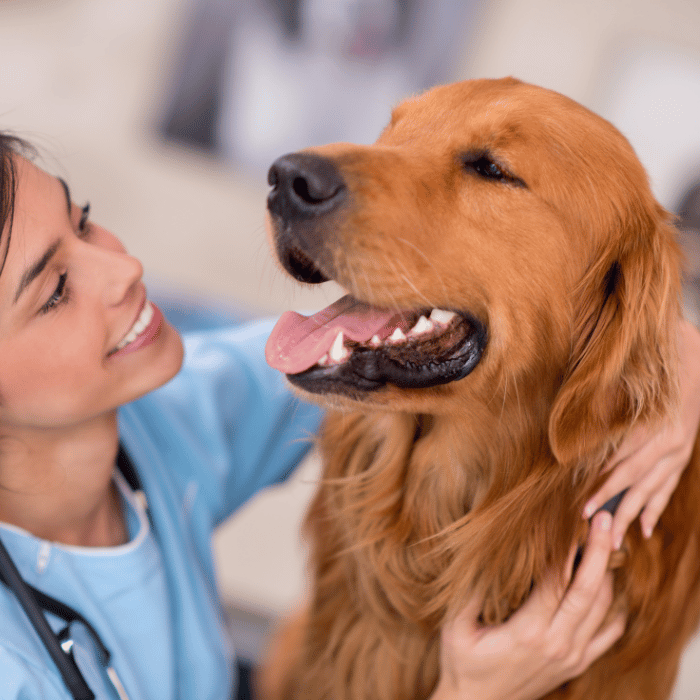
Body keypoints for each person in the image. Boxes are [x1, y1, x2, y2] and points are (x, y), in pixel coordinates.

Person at [0, 132, 698, 700]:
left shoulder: (165, 423)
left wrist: (670, 349)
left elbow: (343, 351)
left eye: (84, 219)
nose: (121, 271)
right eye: (56, 290)